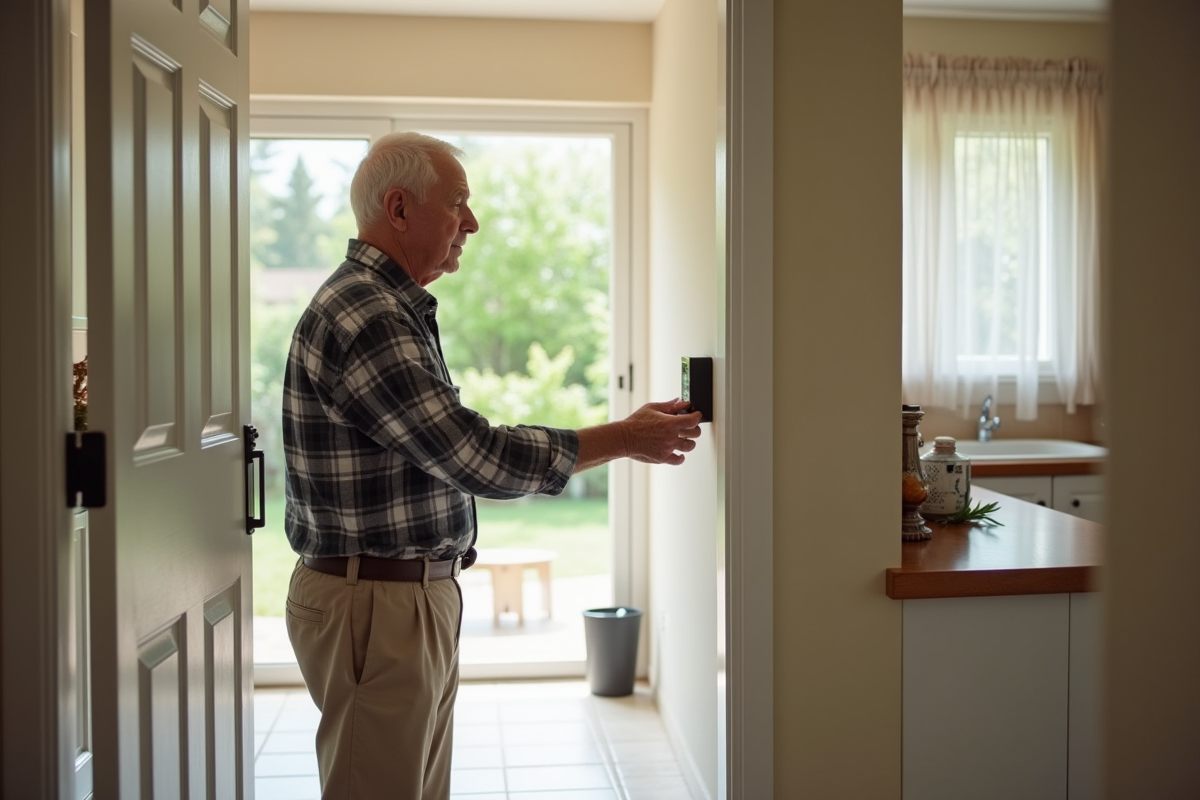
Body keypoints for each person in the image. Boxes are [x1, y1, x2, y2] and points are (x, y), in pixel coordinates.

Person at [281, 131, 703, 800]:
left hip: (395, 597)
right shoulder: (369, 313)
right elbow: (476, 457)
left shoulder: (385, 304)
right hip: (379, 605)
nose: (471, 223)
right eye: (457, 203)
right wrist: (625, 437)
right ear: (399, 208)